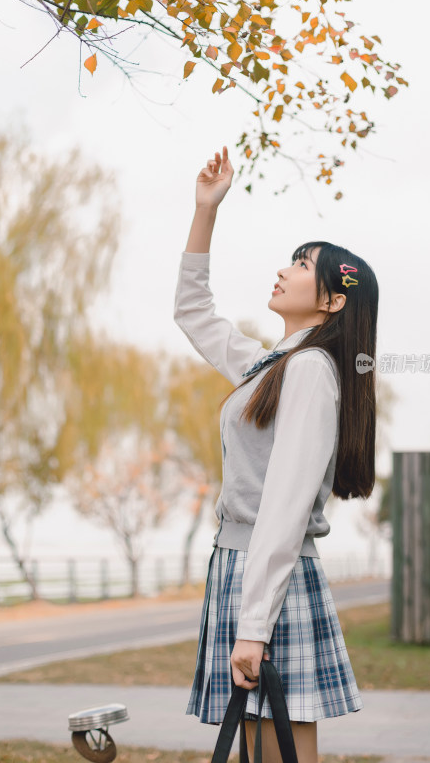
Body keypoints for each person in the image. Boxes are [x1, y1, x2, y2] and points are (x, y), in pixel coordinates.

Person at [173, 145, 378, 763]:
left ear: (332, 300)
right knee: (258, 753)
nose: (286, 270)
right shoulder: (271, 363)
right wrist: (206, 210)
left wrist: (254, 623)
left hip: (270, 578)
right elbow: (192, 313)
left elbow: (285, 507)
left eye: (302, 264)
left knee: (281, 753)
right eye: (290, 259)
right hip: (239, 567)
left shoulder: (312, 370)